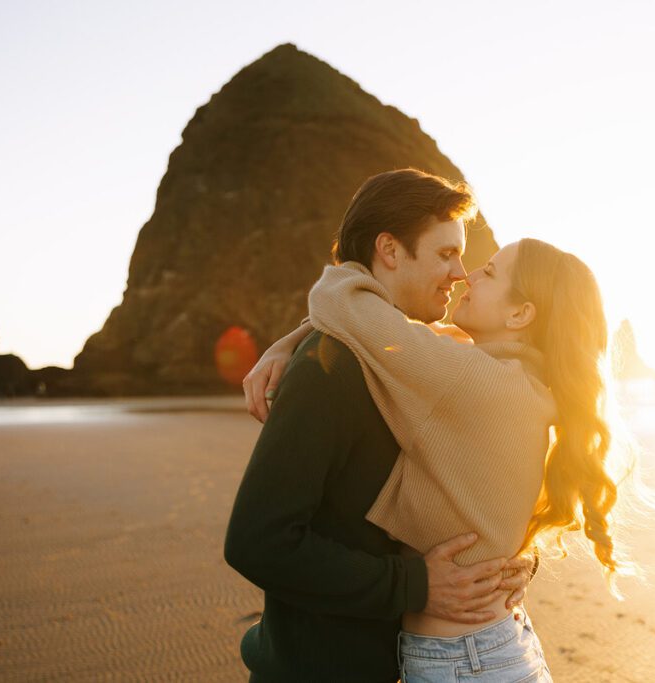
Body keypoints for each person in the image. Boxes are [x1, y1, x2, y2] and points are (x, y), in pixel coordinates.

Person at [251, 233, 632, 679]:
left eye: (488, 273)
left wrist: (287, 342)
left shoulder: (471, 379)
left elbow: (341, 302)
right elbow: (383, 329)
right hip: (491, 648)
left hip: (462, 662)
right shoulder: (520, 384)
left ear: (520, 313)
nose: (469, 274)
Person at [224, 169, 535, 682]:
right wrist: (413, 585)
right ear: (390, 250)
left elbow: (466, 492)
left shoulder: (415, 362)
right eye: (444, 254)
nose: (461, 272)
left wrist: (507, 562)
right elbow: (258, 541)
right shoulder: (330, 367)